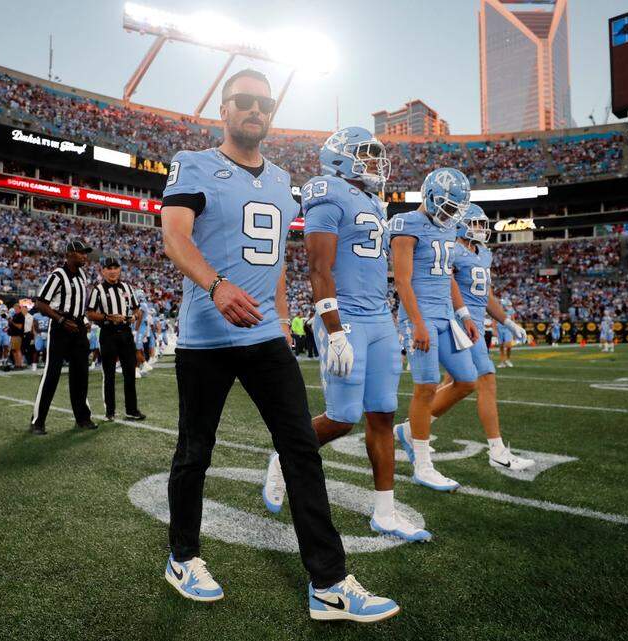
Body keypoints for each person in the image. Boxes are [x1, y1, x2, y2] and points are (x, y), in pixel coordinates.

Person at [160, 68, 397, 622]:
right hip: (207, 334)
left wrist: (290, 322)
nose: (255, 111)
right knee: (195, 451)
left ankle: (330, 583)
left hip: (266, 335)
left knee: (300, 448)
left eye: (264, 103)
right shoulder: (194, 163)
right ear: (224, 110)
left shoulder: (283, 179)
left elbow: (274, 266)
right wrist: (215, 287)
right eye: (243, 101)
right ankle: (182, 556)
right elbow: (174, 235)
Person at [262, 126, 428, 541]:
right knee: (343, 417)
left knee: (384, 415)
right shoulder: (327, 190)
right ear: (341, 158)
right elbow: (318, 267)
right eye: (366, 155)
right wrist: (334, 330)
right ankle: (284, 456)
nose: (375, 163)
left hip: (380, 318)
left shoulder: (374, 200)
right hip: (347, 317)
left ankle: (385, 513)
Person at [395, 204, 535, 473]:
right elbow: (440, 282)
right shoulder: (453, 250)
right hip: (456, 322)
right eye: (476, 223)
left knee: (459, 382)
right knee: (484, 379)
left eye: (483, 224)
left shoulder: (483, 253)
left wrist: (505, 320)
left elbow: (486, 295)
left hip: (472, 323)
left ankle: (411, 429)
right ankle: (496, 450)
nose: (481, 229)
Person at [390, 168, 481, 492]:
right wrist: (416, 323)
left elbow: (449, 276)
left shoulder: (450, 227)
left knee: (467, 380)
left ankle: (411, 431)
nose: (448, 214)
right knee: (426, 387)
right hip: (420, 315)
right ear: (428, 196)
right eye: (444, 206)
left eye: (453, 208)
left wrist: (464, 314)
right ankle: (423, 464)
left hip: (446, 315)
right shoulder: (406, 223)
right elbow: (401, 280)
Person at [30, 240, 98, 434]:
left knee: (81, 375)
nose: (85, 256)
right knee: (52, 374)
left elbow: (76, 304)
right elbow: (41, 303)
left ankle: (82, 418)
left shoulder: (82, 275)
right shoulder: (58, 275)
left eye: (86, 253)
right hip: (60, 327)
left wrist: (82, 319)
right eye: (81, 253)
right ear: (69, 254)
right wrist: (60, 320)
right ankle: (38, 421)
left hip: (77, 326)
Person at [86, 256, 146, 421]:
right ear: (103, 271)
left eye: (115, 267)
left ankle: (131, 410)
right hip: (108, 333)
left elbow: (136, 310)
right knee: (109, 374)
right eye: (109, 268)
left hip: (126, 333)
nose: (112, 271)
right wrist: (107, 317)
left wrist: (134, 317)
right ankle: (110, 411)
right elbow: (90, 313)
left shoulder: (126, 287)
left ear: (119, 269)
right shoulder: (98, 289)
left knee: (130, 372)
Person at [496, 297, 519, 368]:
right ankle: (502, 362)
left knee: (508, 345)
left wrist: (514, 330)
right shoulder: (498, 310)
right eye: (507, 305)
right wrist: (494, 330)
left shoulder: (511, 310)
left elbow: (513, 320)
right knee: (501, 346)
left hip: (508, 329)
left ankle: (508, 359)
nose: (508, 307)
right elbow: (494, 320)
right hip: (500, 328)